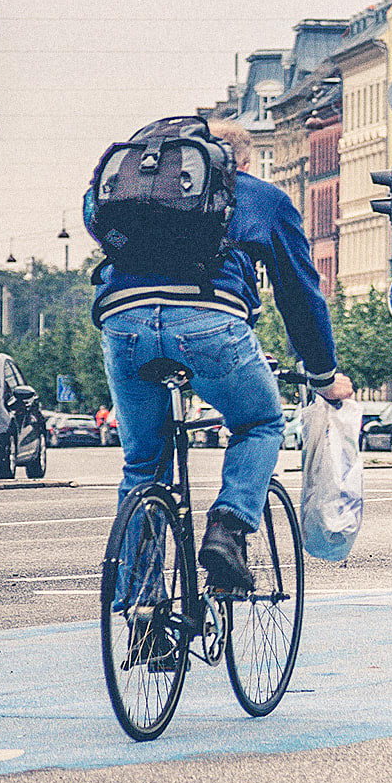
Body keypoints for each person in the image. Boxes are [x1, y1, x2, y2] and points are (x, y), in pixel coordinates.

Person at [93, 117, 352, 593]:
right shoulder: (260, 195)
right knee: (260, 423)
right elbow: (299, 293)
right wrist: (322, 373)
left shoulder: (137, 188)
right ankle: (227, 529)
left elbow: (97, 223)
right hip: (209, 323)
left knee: (144, 463)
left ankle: (141, 603)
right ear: (242, 161)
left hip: (122, 321)